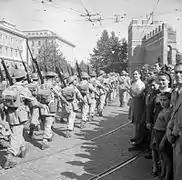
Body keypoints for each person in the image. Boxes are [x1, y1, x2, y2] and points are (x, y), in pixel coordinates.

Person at [166, 61, 182, 180]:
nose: (178, 75)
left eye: (181, 72)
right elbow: (173, 114)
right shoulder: (176, 92)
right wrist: (169, 130)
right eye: (176, 72)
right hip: (175, 137)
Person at [153, 92, 173, 180]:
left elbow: (167, 128)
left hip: (162, 135)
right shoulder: (162, 110)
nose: (162, 102)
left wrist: (163, 141)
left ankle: (167, 176)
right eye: (161, 100)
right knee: (161, 157)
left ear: (170, 100)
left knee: (166, 158)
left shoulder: (168, 112)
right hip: (157, 133)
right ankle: (162, 174)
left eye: (165, 100)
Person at [128, 69, 146, 151]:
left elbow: (138, 95)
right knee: (135, 120)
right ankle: (136, 136)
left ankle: (138, 140)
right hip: (134, 102)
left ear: (140, 75)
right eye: (134, 74)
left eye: (136, 74)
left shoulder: (141, 84)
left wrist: (131, 91)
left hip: (139, 103)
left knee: (138, 120)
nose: (135, 75)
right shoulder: (133, 83)